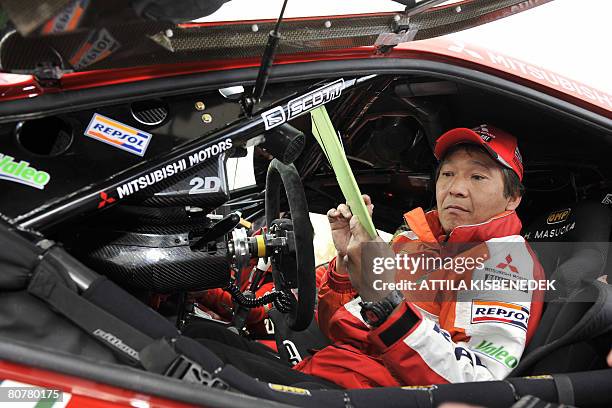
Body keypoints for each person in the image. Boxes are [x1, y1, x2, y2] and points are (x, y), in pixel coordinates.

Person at [293, 125, 545, 388]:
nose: (455, 188)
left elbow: (476, 383)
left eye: (478, 177)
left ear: (513, 198)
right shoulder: (410, 239)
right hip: (328, 370)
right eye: (447, 173)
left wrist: (387, 304)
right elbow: (338, 328)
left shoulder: (504, 262)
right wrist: (346, 266)